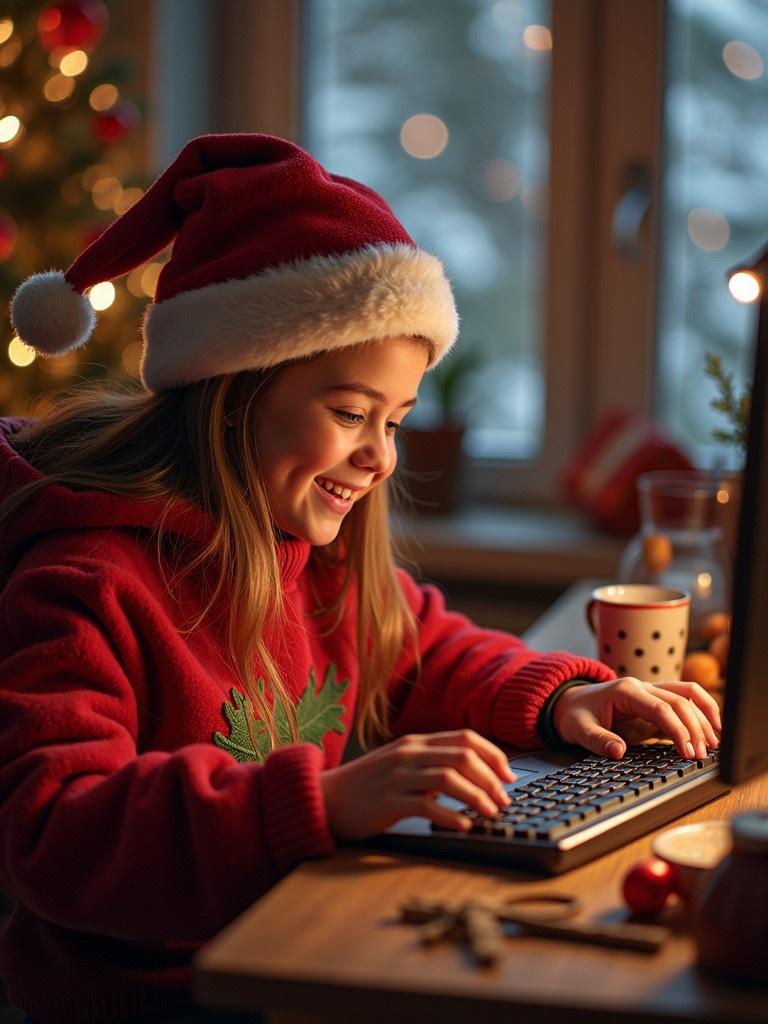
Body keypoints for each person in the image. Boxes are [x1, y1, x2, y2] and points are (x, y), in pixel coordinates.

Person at [0, 133, 720, 1024]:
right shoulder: (83, 581)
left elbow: (418, 650)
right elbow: (52, 832)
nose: (379, 457)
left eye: (398, 420)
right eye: (350, 414)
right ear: (234, 390)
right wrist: (321, 803)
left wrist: (559, 699)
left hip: (302, 946)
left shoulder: (318, 557)